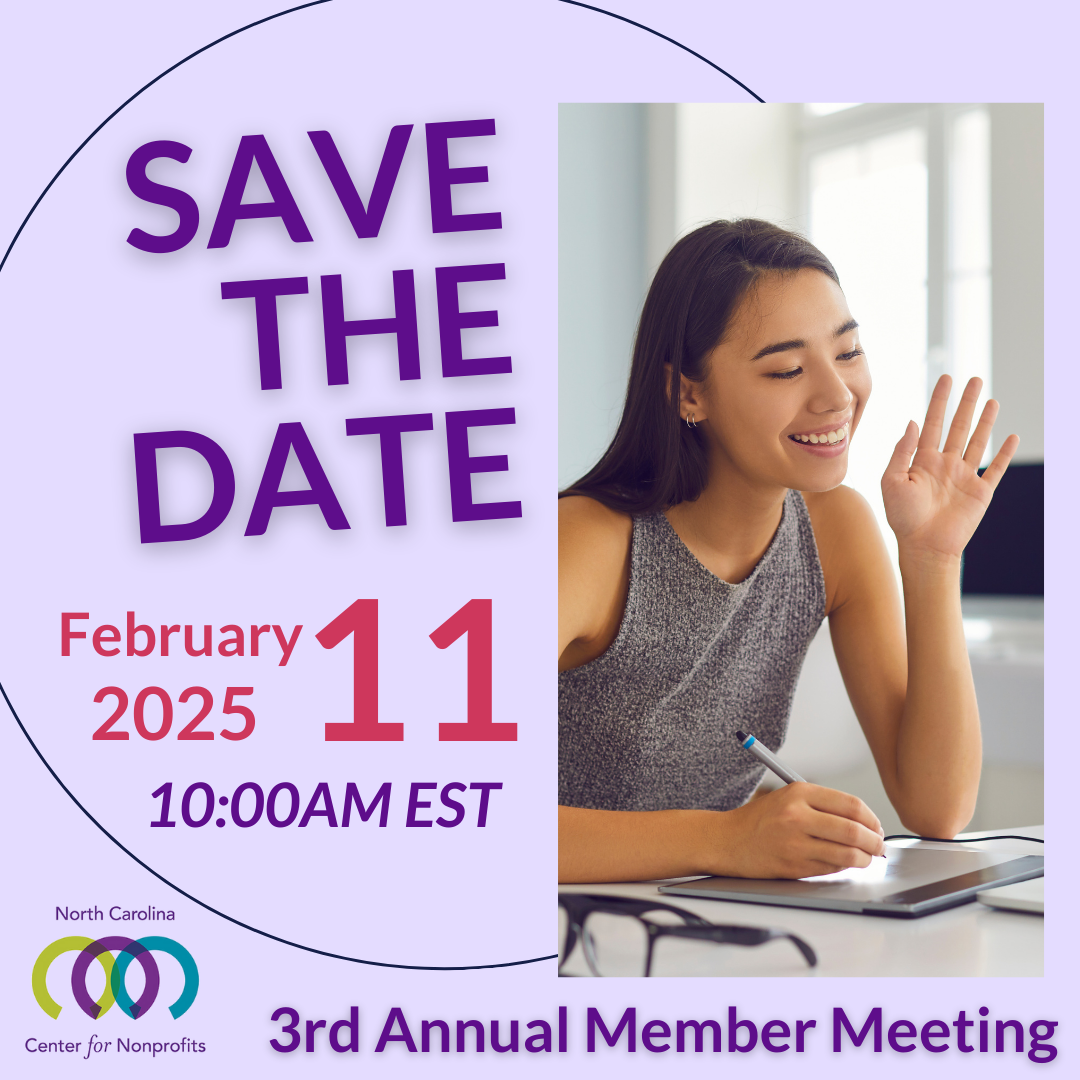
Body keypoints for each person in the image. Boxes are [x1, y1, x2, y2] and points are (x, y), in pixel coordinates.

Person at [558, 219, 1017, 884]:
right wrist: (726, 840)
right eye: (787, 369)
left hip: (702, 932)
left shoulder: (836, 532)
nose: (836, 396)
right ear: (688, 392)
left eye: (849, 353)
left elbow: (938, 807)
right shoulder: (589, 543)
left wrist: (933, 559)